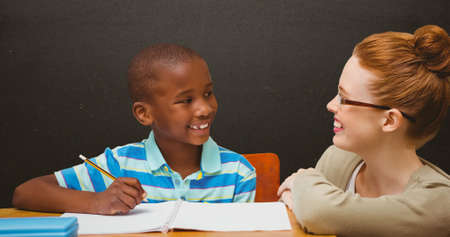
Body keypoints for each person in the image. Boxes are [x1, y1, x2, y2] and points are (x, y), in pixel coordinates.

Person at [13, 44, 256, 215]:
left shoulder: (238, 173)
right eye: (186, 100)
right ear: (144, 114)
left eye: (207, 94)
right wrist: (97, 201)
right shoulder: (118, 164)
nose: (205, 109)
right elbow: (26, 192)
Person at [278, 25, 449, 237]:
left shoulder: (440, 201)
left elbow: (317, 212)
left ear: (389, 120)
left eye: (344, 98)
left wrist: (301, 179)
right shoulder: (338, 159)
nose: (331, 105)